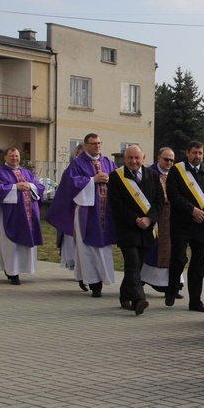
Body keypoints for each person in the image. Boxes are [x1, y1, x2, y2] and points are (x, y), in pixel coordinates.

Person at [46, 133, 116, 297]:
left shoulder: (108, 162)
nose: (97, 146)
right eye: (93, 144)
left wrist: (109, 179)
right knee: (87, 248)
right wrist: (92, 180)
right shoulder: (77, 164)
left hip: (106, 212)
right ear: (85, 146)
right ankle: (94, 283)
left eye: (99, 143)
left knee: (105, 247)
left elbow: (118, 180)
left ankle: (103, 279)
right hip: (87, 212)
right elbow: (70, 183)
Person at [108, 145, 164, 315]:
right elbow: (116, 204)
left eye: (137, 158)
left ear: (143, 158)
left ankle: (125, 296)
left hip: (147, 229)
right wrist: (135, 219)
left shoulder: (153, 176)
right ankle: (139, 299)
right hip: (127, 229)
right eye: (130, 158)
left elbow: (159, 201)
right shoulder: (116, 177)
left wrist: (149, 219)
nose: (133, 161)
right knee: (132, 263)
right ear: (125, 159)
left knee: (137, 266)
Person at [165, 141, 204, 312]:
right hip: (181, 223)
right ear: (187, 152)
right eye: (194, 152)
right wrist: (192, 210)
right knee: (179, 258)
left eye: (200, 153)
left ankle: (195, 300)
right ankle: (172, 289)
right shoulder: (176, 171)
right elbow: (173, 195)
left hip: (201, 225)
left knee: (198, 264)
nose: (198, 156)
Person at [0, 147, 45, 285]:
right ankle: (12, 272)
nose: (14, 159)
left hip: (28, 216)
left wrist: (29, 186)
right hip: (9, 216)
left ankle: (22, 268)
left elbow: (39, 187)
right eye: (11, 156)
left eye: (16, 156)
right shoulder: (0, 173)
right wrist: (15, 187)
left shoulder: (27, 173)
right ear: (5, 158)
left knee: (23, 245)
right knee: (10, 245)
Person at [141, 147, 184, 298]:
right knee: (152, 250)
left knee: (174, 251)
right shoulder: (149, 173)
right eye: (166, 159)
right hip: (155, 218)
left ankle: (172, 285)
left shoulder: (177, 173)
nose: (169, 163)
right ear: (158, 158)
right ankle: (143, 280)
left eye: (172, 160)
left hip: (173, 218)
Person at [57, 142, 86, 285]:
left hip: (88, 210)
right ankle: (75, 266)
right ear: (77, 154)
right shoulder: (71, 169)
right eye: (82, 153)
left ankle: (82, 268)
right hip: (71, 209)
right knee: (72, 238)